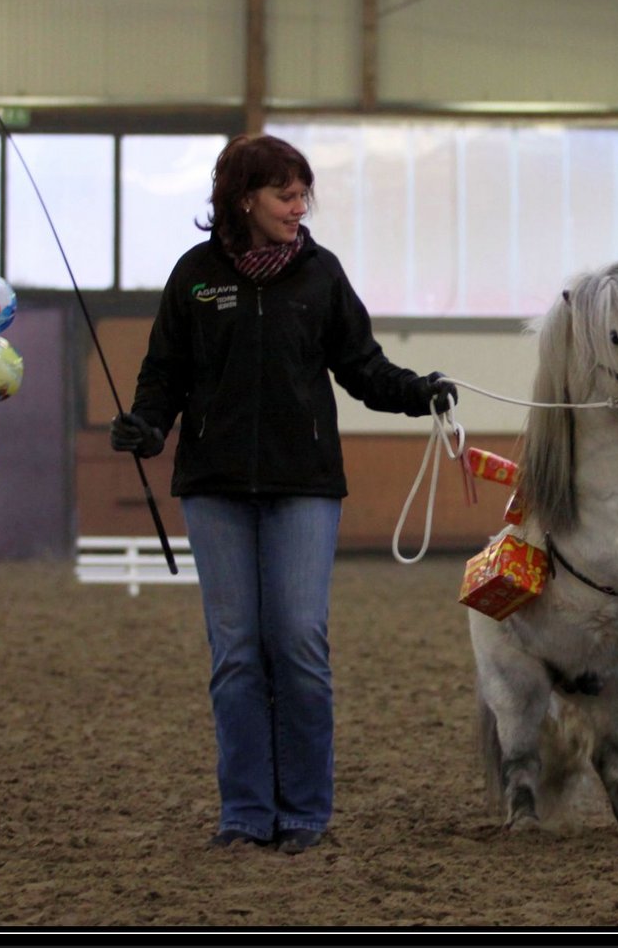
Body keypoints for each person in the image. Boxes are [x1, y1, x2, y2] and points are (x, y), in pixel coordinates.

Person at [110, 134, 456, 854]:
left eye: (303, 196)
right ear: (244, 198)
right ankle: (242, 811)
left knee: (297, 643)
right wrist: (146, 425)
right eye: (285, 195)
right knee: (235, 653)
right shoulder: (196, 276)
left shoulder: (320, 275)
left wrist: (419, 393)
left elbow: (361, 366)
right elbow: (163, 372)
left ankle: (303, 811)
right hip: (213, 486)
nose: (299, 208)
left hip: (305, 485)